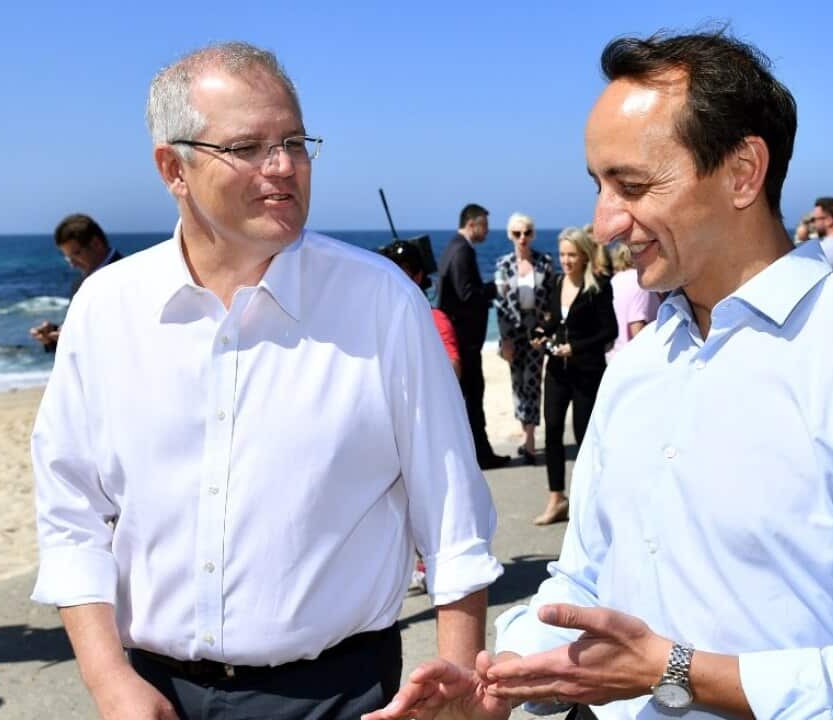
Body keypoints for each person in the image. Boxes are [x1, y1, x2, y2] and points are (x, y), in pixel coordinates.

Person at [368, 29, 833, 720]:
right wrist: (509, 683)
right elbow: (583, 581)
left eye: (632, 185)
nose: (604, 223)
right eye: (599, 186)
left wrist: (678, 672)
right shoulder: (639, 366)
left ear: (742, 173)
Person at [31, 41, 502, 720]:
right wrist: (109, 680)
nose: (283, 168)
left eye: (294, 142)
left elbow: (454, 518)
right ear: (175, 168)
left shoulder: (380, 302)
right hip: (151, 694)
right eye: (248, 147)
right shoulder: (106, 310)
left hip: (337, 695)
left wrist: (458, 681)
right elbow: (71, 511)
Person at [531, 227, 616, 526]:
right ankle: (557, 498)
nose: (565, 261)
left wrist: (575, 348)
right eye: (562, 254)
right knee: (552, 431)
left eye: (571, 255)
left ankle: (590, 501)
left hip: (587, 372)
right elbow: (554, 320)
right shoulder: (556, 283)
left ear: (584, 256)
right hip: (556, 371)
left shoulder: (599, 286)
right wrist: (541, 333)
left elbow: (610, 332)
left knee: (584, 436)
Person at [438, 204, 511, 469]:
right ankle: (481, 454)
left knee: (467, 398)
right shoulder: (462, 250)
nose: (488, 232)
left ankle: (476, 453)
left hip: (461, 340)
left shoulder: (453, 248)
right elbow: (466, 294)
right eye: (485, 226)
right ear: (473, 224)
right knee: (473, 398)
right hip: (465, 341)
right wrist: (494, 289)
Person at [493, 213, 554, 465]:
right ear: (510, 235)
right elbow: (499, 305)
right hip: (512, 334)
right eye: (517, 233)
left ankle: (530, 441)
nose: (522, 238)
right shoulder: (502, 264)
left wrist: (547, 328)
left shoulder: (545, 262)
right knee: (517, 385)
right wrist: (504, 340)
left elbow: (552, 299)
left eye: (527, 232)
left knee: (532, 383)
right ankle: (525, 432)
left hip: (536, 333)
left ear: (533, 234)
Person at [29, 214, 122, 352]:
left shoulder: (128, 275)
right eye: (67, 257)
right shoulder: (79, 284)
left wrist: (74, 339)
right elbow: (79, 331)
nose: (72, 264)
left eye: (76, 254)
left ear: (96, 244)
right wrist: (53, 336)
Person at [381, 239, 461, 378]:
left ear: (418, 276)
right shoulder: (380, 318)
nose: (393, 280)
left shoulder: (435, 319)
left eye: (400, 274)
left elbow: (453, 367)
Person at [606, 241, 660, 359]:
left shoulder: (614, 280)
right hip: (632, 357)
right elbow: (637, 327)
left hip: (613, 355)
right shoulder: (640, 283)